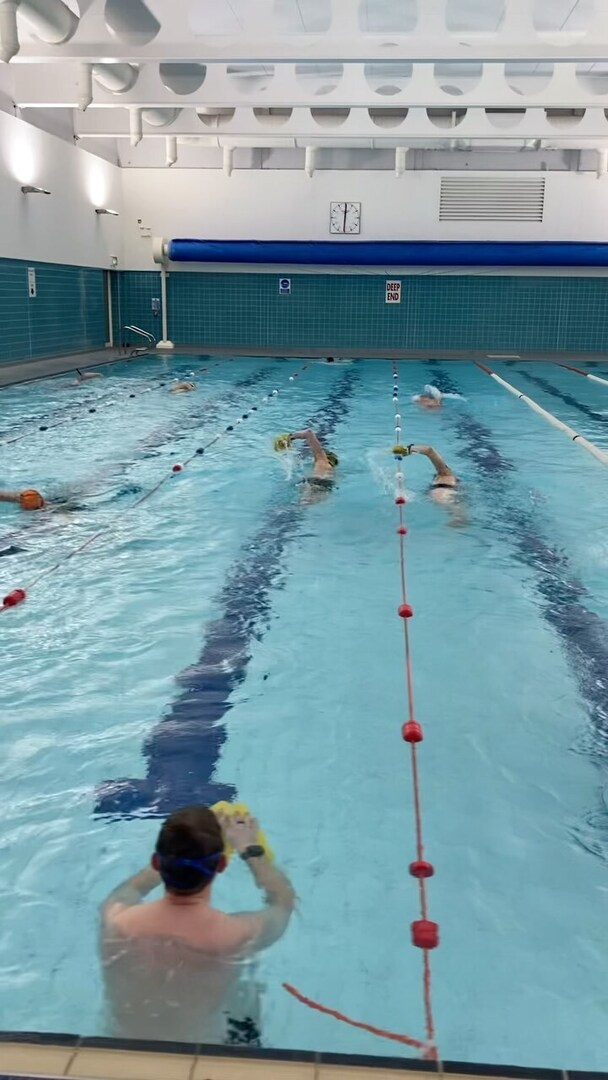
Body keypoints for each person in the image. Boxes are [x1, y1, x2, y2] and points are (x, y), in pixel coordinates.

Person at [101, 805, 295, 1044]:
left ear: (156, 861)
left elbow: (133, 887)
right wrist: (251, 849)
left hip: (120, 1047)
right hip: (201, 1053)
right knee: (247, 991)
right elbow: (284, 903)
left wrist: (176, 853)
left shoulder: (115, 917)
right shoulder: (236, 934)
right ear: (222, 865)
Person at [290, 428, 338, 493]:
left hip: (315, 483)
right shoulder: (333, 471)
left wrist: (290, 437)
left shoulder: (322, 460)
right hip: (327, 487)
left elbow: (309, 433)